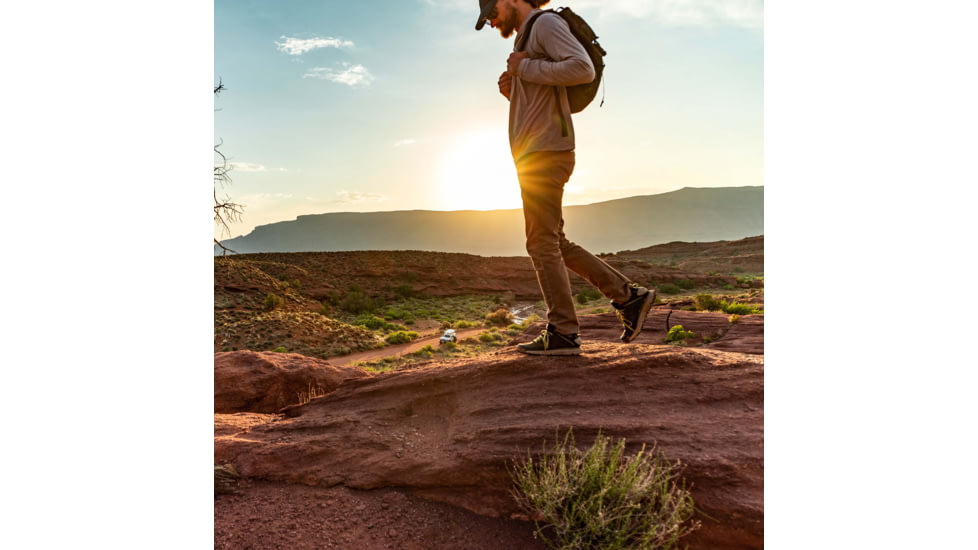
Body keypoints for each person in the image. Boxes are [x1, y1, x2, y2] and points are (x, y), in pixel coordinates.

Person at [475, 0, 656, 356]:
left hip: (545, 152)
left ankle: (563, 333)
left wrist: (525, 67)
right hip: (537, 152)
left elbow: (581, 69)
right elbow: (546, 88)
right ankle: (629, 297)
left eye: (492, 11)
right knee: (555, 241)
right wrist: (515, 89)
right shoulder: (526, 36)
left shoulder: (544, 24)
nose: (492, 20)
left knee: (541, 244)